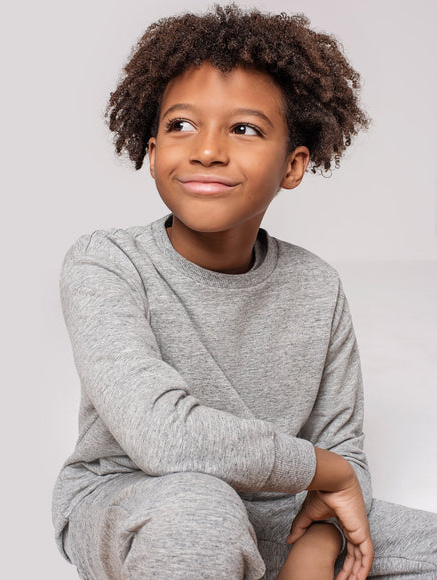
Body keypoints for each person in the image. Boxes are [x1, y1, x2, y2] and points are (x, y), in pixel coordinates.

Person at [51, 5, 437, 579]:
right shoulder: (106, 263)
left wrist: (320, 542)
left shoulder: (316, 286)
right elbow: (163, 436)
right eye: (182, 125)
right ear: (152, 152)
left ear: (293, 165)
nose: (207, 150)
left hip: (278, 511)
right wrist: (325, 472)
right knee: (202, 512)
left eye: (245, 129)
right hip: (140, 501)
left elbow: (344, 456)